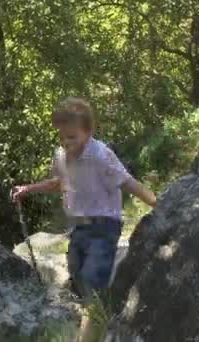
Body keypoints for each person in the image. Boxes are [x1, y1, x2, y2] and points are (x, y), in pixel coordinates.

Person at [11, 96, 156, 302]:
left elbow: (127, 182)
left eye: (72, 137)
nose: (66, 143)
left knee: (93, 280)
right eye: (62, 138)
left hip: (104, 226)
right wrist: (28, 189)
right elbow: (59, 183)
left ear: (88, 133)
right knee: (76, 274)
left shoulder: (100, 155)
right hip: (78, 228)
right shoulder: (61, 156)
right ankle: (97, 311)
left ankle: (97, 321)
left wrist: (155, 203)